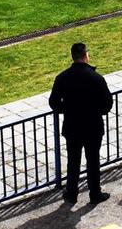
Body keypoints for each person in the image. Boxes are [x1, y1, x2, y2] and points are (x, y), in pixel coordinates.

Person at [49, 42, 114, 204]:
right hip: (93, 126)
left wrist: (69, 110)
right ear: (86, 55)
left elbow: (54, 103)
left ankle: (71, 193)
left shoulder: (62, 78)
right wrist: (95, 111)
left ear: (72, 57)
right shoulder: (96, 78)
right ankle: (95, 193)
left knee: (73, 161)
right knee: (93, 161)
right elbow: (107, 103)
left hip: (72, 126)